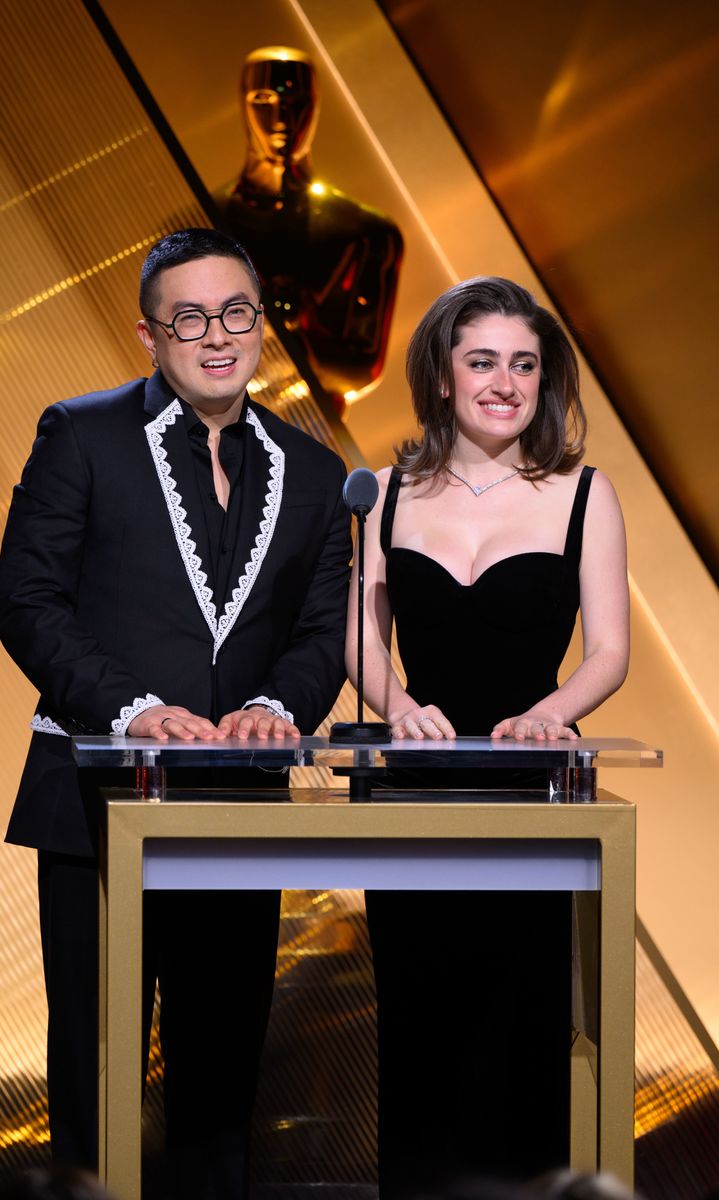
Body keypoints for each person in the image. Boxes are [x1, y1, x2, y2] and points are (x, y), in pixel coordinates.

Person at [0, 228, 351, 1198]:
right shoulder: (81, 433)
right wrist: (134, 707)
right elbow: (26, 602)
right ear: (148, 332)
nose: (216, 335)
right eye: (188, 317)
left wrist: (279, 704)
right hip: (93, 800)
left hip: (235, 812)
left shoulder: (315, 477)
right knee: (96, 1086)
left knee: (220, 1093)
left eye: (235, 311)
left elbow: (322, 631)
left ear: (260, 322)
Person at [348, 277, 630, 1195]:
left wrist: (553, 713)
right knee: (420, 1025)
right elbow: (360, 636)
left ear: (543, 380)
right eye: (481, 362)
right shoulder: (383, 494)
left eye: (523, 363)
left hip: (531, 798)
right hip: (413, 796)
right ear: (440, 375)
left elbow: (610, 652)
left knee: (523, 1031)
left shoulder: (585, 494)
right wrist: (396, 705)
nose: (503, 382)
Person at [214, 46, 403, 409]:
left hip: (308, 428)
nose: (281, 116)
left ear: (314, 106)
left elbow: (361, 367)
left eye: (296, 101)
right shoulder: (203, 222)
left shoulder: (364, 232)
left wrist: (301, 334)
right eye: (264, 99)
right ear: (244, 104)